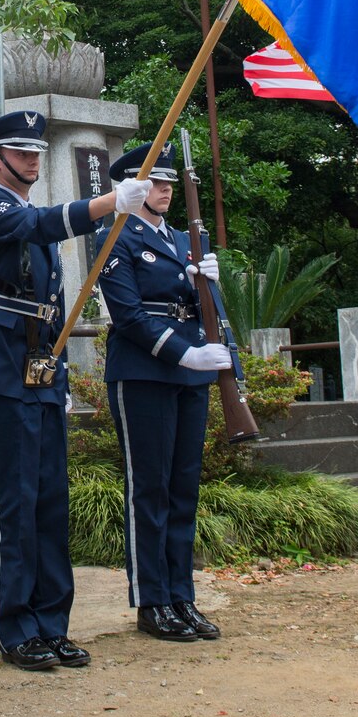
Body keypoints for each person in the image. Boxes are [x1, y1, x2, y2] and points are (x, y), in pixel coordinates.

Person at [0, 111, 151, 671]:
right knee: (14, 504)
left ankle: (52, 623)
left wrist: (57, 376)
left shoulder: (28, 212)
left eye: (38, 151)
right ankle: (17, 629)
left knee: (49, 503)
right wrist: (111, 202)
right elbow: (41, 224)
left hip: (39, 368)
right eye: (21, 151)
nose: (33, 159)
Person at [98, 141, 241, 643]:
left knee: (183, 489)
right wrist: (184, 354)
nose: (163, 190)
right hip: (143, 370)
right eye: (154, 182)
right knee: (150, 488)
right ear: (130, 187)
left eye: (168, 183)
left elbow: (202, 307)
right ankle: (151, 601)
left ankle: (182, 595)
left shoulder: (184, 241)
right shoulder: (114, 234)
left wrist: (211, 285)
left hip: (191, 372)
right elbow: (128, 315)